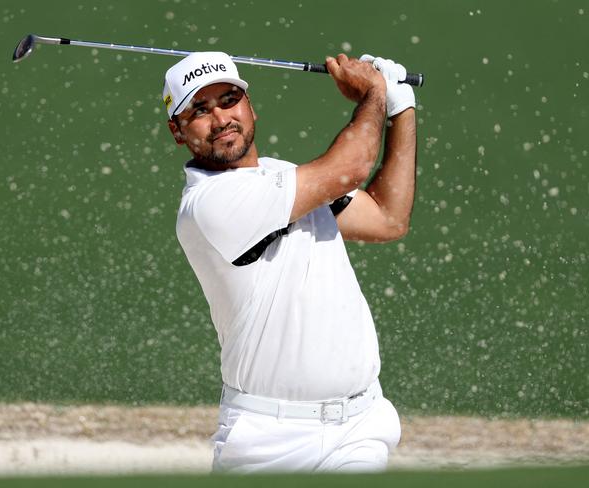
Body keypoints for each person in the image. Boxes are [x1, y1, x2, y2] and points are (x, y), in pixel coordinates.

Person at [163, 50, 417, 472]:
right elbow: (350, 167)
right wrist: (373, 95)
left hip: (358, 429)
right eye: (199, 110)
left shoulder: (286, 176)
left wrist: (400, 109)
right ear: (178, 131)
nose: (222, 118)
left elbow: (388, 219)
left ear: (250, 106)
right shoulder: (208, 205)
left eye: (229, 100)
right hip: (267, 441)